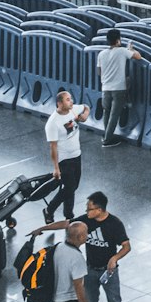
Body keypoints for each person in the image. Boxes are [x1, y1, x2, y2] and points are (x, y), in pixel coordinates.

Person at [36, 192, 131, 302]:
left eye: (89, 209)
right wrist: (43, 228)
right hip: (90, 271)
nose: (86, 212)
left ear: (99, 210)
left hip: (109, 272)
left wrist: (115, 258)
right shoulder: (86, 220)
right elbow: (66, 224)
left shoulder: (115, 224)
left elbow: (126, 246)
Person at [45, 91, 91, 220]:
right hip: (64, 159)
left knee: (73, 187)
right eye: (67, 99)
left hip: (77, 155)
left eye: (71, 99)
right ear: (59, 103)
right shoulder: (53, 123)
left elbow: (86, 106)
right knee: (70, 187)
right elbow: (53, 147)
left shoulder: (73, 110)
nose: (71, 101)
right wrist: (56, 168)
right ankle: (50, 209)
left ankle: (68, 215)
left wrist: (85, 116)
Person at [95, 30, 142, 147]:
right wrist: (130, 49)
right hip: (119, 88)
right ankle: (107, 140)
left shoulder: (101, 54)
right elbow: (138, 56)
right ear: (118, 40)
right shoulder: (122, 51)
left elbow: (99, 72)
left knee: (107, 112)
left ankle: (107, 134)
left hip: (105, 88)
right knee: (114, 114)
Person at [51, 220, 93, 302]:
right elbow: (78, 286)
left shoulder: (59, 247)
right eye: (86, 233)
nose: (88, 235)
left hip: (57, 301)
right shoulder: (76, 257)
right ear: (80, 237)